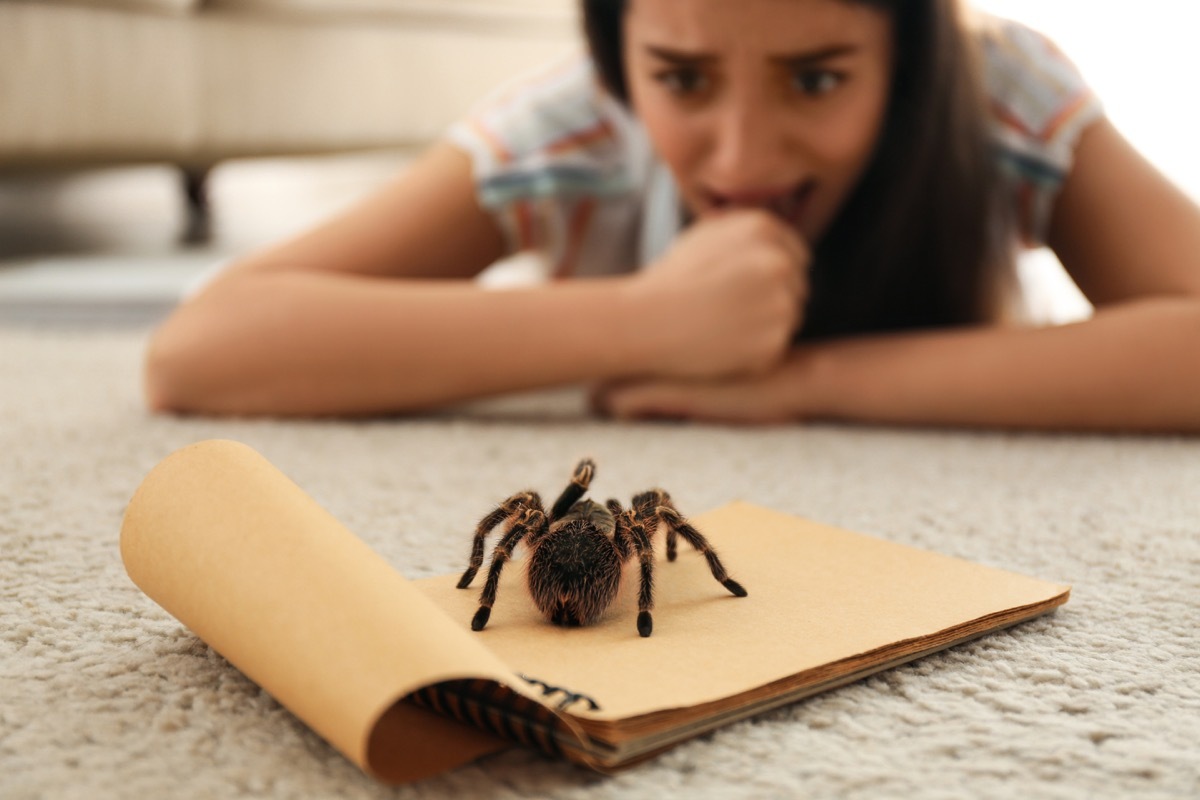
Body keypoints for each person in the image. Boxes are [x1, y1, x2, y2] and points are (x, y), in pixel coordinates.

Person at [144, 0, 1200, 431]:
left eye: (818, 80)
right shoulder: (573, 127)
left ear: (909, 57)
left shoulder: (996, 91)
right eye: (683, 80)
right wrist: (651, 319)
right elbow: (200, 349)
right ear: (618, 59)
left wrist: (800, 383)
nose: (742, 158)